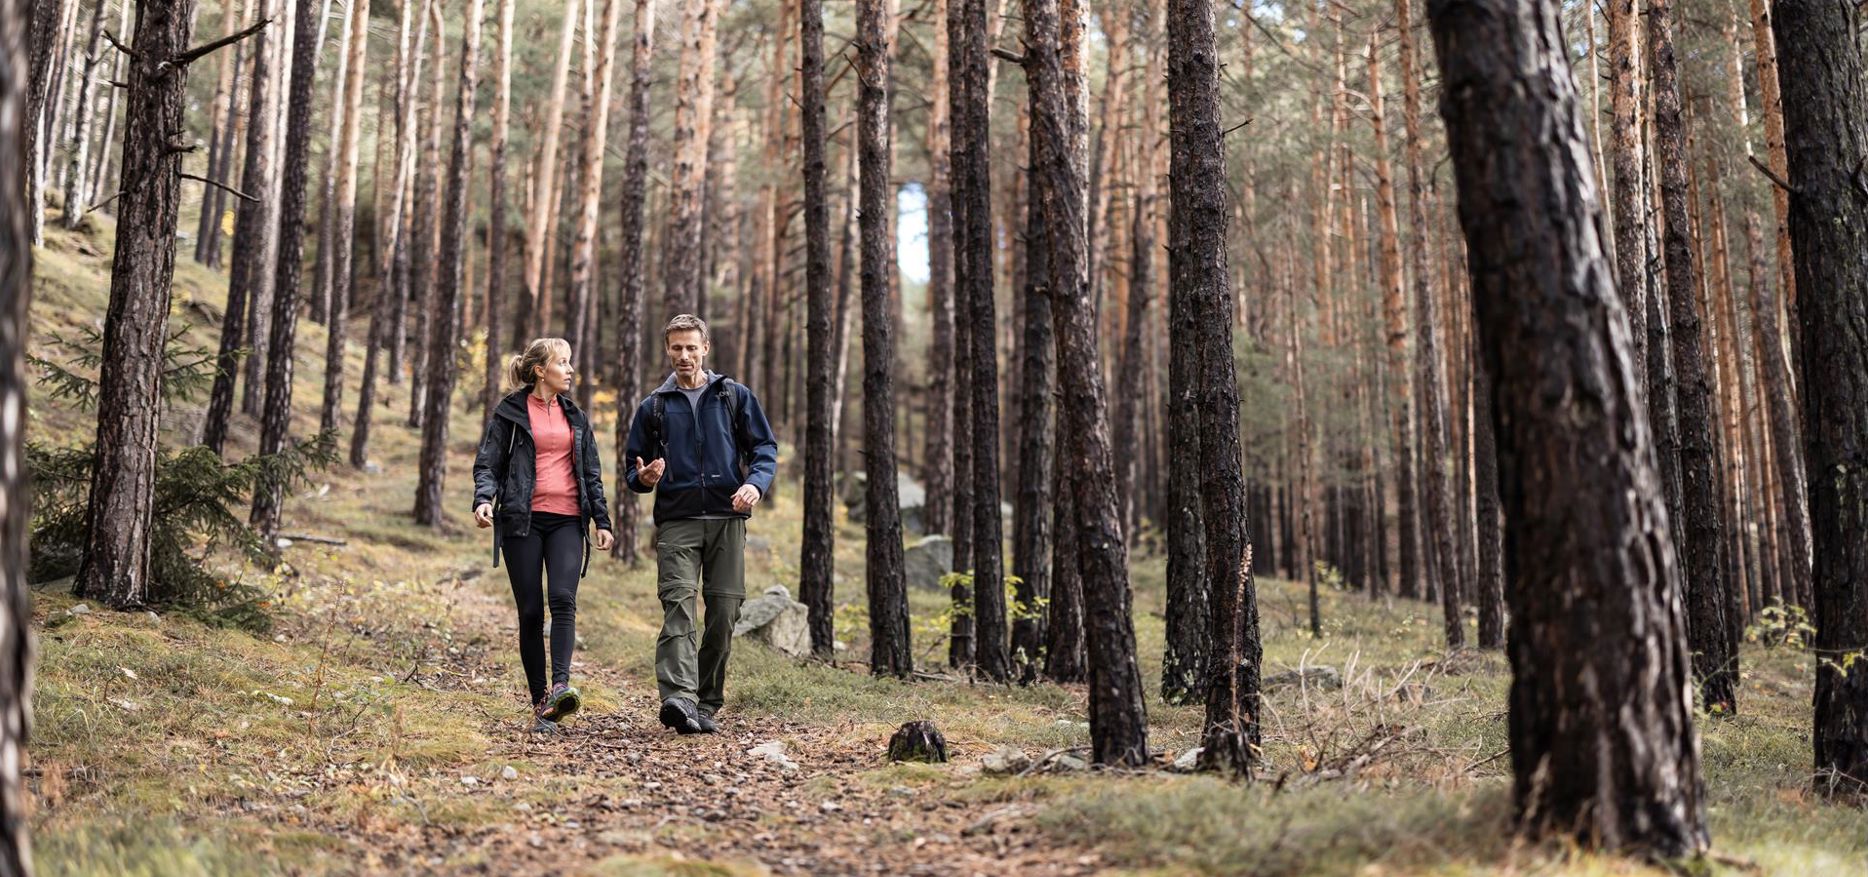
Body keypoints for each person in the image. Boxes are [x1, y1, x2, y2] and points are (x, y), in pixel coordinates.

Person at [622, 314, 779, 735]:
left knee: (724, 612)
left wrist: (755, 485)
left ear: (705, 348)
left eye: (691, 347)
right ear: (667, 350)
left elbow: (764, 448)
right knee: (678, 605)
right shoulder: (653, 406)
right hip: (678, 521)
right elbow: (631, 471)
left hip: (728, 519)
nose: (684, 355)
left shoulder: (733, 396)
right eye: (676, 348)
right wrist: (645, 478)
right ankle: (678, 697)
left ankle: (705, 703)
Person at [473, 338, 614, 734]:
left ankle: (561, 686)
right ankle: (541, 704)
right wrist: (484, 499)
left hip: (568, 520)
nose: (570, 370)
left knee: (564, 600)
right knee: (532, 611)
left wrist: (601, 521)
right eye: (562, 363)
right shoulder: (511, 413)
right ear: (540, 370)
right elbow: (488, 463)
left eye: (570, 363)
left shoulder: (576, 417)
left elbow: (592, 474)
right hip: (522, 519)